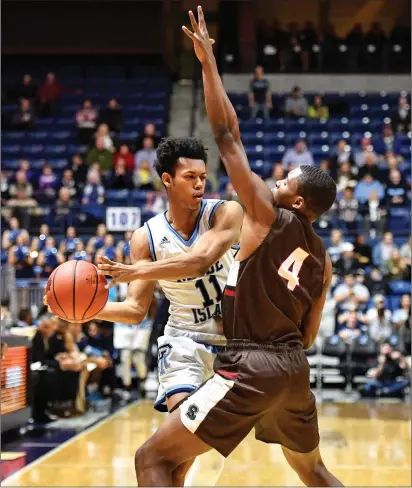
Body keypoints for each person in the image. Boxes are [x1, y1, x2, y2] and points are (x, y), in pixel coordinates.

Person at [124, 8, 343, 487]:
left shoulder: (267, 212)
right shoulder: (323, 259)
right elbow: (307, 336)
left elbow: (225, 134)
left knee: (151, 460)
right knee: (314, 471)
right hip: (294, 371)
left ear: (298, 200)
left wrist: (208, 63)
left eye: (285, 180)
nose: (277, 179)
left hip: (251, 362)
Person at [48, 135, 243, 486]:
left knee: (195, 453)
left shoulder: (225, 212)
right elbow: (136, 310)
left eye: (202, 176)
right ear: (167, 180)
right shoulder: (146, 237)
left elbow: (200, 261)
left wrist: (136, 271)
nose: (199, 183)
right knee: (175, 447)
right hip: (184, 341)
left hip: (235, 344)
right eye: (189, 177)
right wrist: (83, 312)